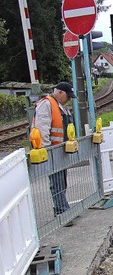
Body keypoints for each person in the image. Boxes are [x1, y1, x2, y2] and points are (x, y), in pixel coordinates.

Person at [32, 82, 76, 217]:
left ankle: (62, 207)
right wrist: (46, 148)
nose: (68, 99)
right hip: (52, 150)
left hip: (59, 150)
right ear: (60, 92)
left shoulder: (59, 106)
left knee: (61, 180)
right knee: (57, 181)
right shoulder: (46, 104)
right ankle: (61, 210)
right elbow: (42, 127)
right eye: (67, 96)